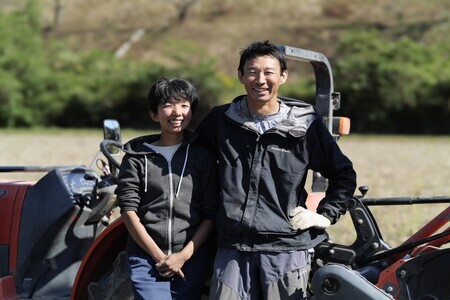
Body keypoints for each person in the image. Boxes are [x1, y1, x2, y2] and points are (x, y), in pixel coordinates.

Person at [196, 40, 357, 299]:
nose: (260, 79)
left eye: (269, 72)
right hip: (232, 248)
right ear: (240, 76)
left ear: (283, 76)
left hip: (285, 248)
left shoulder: (304, 126)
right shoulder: (221, 121)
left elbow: (343, 174)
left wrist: (325, 215)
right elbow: (193, 165)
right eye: (252, 71)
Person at [116, 77, 218, 300]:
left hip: (191, 257)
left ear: (191, 111)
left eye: (184, 105)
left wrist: (183, 255)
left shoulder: (202, 156)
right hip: (146, 258)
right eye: (168, 105)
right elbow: (128, 210)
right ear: (155, 114)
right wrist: (159, 257)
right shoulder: (136, 158)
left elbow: (210, 213)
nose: (177, 112)